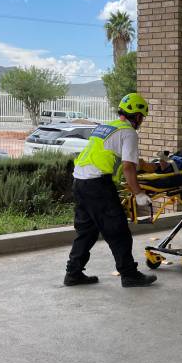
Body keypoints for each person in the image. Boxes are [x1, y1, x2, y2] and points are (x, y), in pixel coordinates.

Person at [64, 92, 157, 288]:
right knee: (118, 231)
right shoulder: (129, 132)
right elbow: (128, 167)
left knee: (86, 232)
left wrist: (152, 167)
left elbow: (127, 160)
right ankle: (129, 274)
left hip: (80, 182)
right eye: (142, 117)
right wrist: (138, 193)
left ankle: (73, 273)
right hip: (97, 185)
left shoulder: (107, 127)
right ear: (138, 116)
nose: (141, 121)